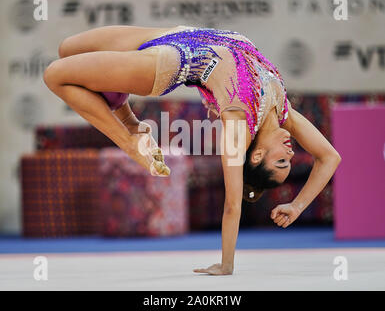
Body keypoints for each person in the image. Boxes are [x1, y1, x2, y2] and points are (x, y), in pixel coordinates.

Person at [43, 24, 341, 275]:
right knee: (67, 49)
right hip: (175, 33)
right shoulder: (283, 111)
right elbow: (329, 157)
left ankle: (129, 140)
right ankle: (131, 123)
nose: (290, 154)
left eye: (282, 162)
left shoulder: (238, 121)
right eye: (288, 160)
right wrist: (296, 206)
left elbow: (233, 205)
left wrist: (226, 263)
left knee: (55, 74)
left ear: (258, 155)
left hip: (173, 60)